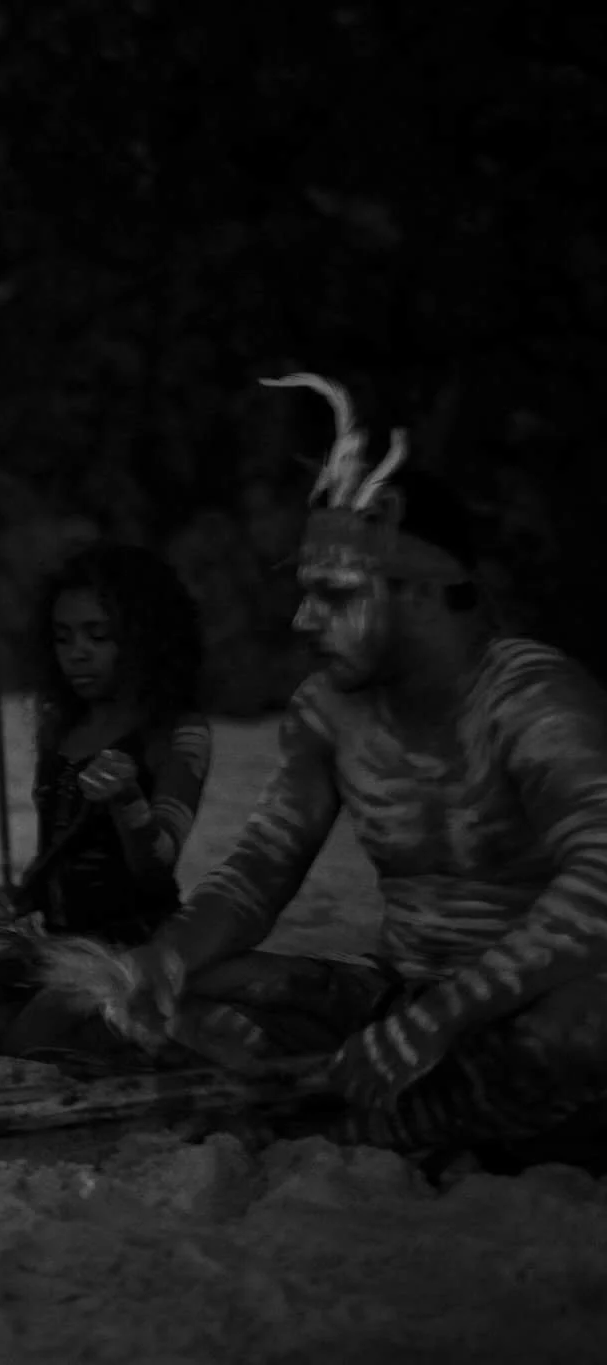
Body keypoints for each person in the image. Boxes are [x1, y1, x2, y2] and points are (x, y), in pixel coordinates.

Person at [68, 373, 607, 1160]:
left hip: (531, 999)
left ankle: (376, 1117)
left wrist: (445, 1016)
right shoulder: (330, 706)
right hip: (402, 992)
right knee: (195, 991)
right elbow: (261, 867)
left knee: (587, 1029)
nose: (302, 616)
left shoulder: (534, 700)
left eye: (334, 593)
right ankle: (406, 1109)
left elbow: (601, 885)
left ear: (419, 595)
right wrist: (166, 959)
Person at [0, 544, 214, 1055]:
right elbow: (57, 850)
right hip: (53, 939)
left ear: (144, 638)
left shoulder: (177, 731)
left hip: (129, 946)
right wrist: (20, 899)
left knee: (37, 1030)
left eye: (98, 635)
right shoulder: (60, 724)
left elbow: (157, 868)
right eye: (63, 638)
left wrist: (127, 800)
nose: (77, 653)